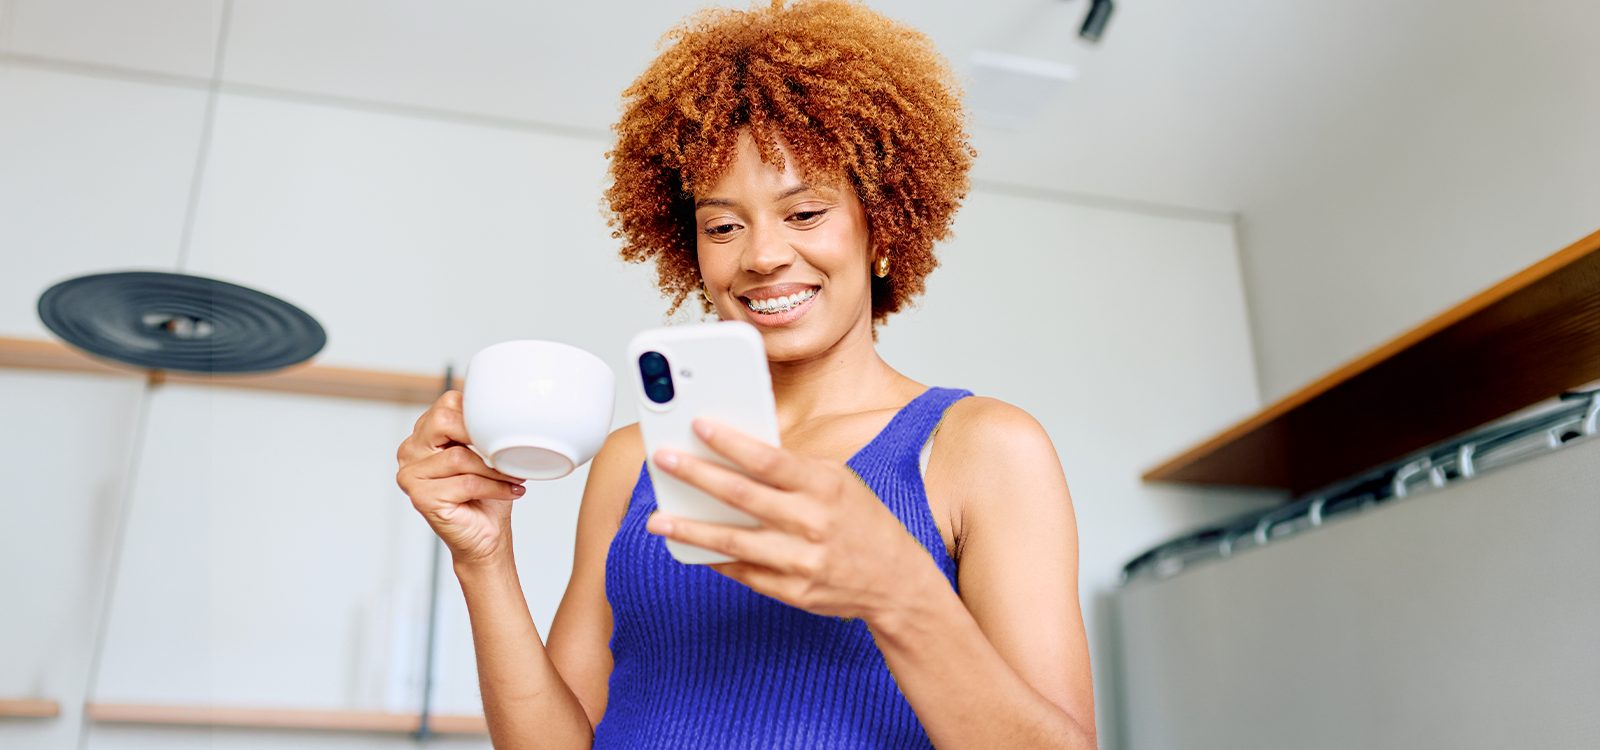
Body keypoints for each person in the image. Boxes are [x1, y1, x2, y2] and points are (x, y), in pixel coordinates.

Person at [394, 1, 1095, 747]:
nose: (762, 255)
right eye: (723, 225)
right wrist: (484, 559)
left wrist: (900, 592)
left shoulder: (981, 448)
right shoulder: (635, 459)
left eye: (805, 214)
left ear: (883, 225)